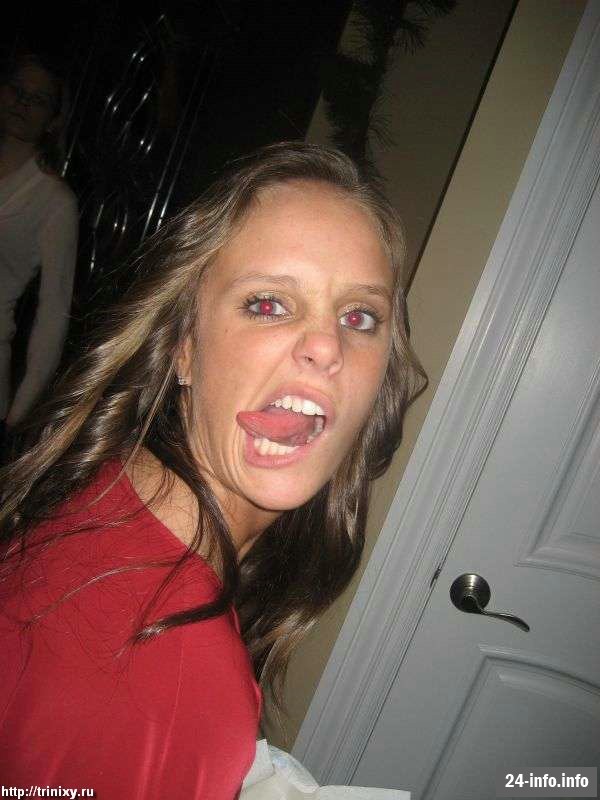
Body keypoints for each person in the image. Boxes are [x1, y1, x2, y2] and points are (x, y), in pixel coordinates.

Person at [0, 142, 426, 798]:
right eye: (268, 304)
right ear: (183, 348)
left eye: (359, 316)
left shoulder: (116, 498)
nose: (326, 345)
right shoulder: (169, 677)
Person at [0, 51, 78, 436]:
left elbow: (53, 313)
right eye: (18, 90)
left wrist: (21, 413)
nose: (23, 103)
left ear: (53, 119)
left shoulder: (54, 201)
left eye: (39, 99)